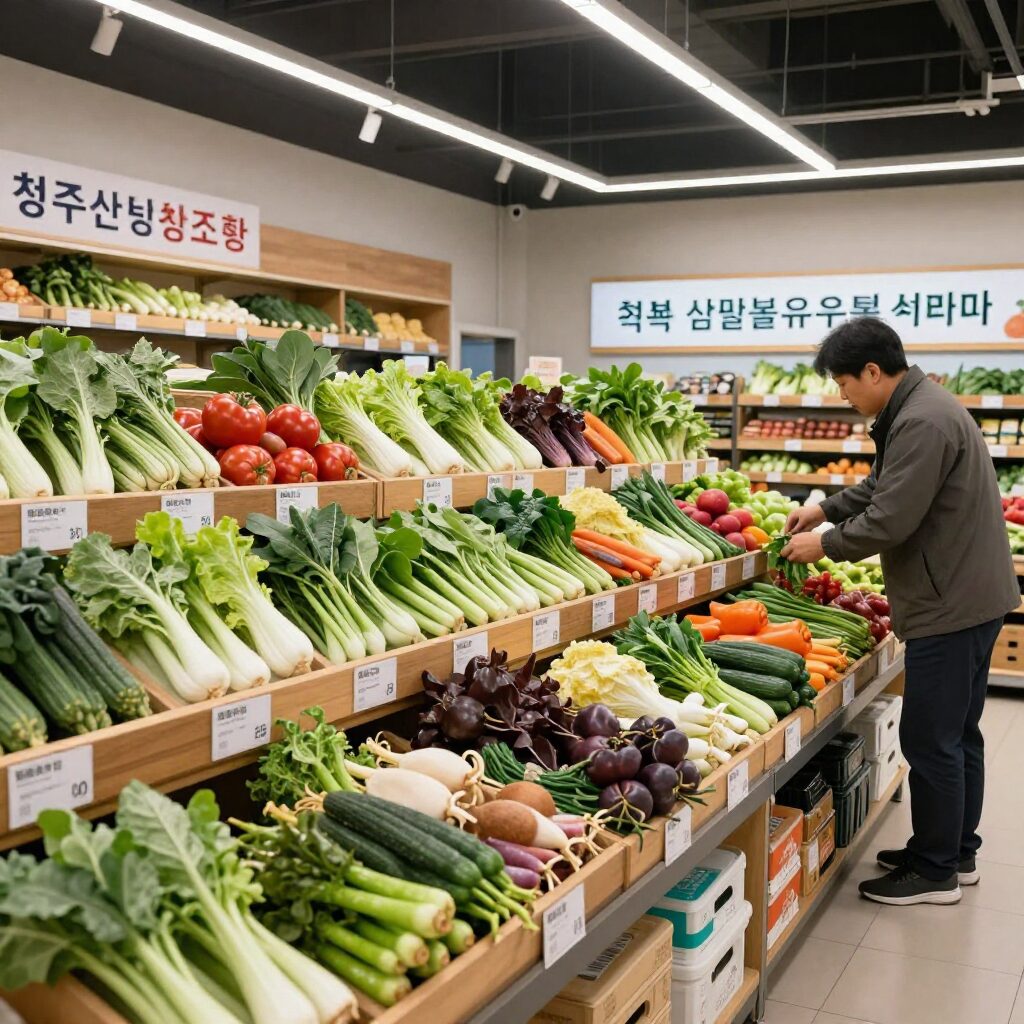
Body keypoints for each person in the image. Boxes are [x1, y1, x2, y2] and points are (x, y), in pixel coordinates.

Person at [781, 316, 1019, 906]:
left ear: (872, 371)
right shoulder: (922, 406)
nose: (843, 396)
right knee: (959, 734)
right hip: (969, 592)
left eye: (843, 384)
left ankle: (935, 871)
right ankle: (953, 851)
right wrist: (825, 508)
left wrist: (825, 544)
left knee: (931, 738)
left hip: (950, 601)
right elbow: (887, 487)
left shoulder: (921, 420)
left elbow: (892, 518)